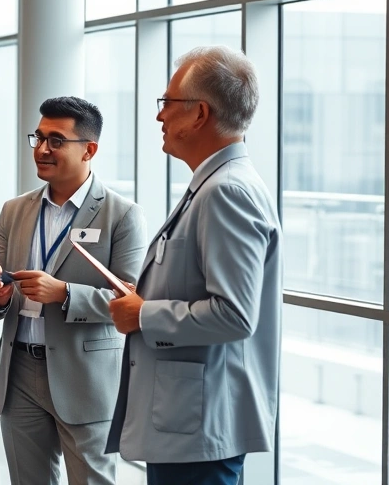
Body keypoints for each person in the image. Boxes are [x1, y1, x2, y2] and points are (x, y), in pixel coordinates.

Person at [105, 45, 282, 485]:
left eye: (167, 103)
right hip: (187, 419)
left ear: (199, 113)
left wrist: (142, 314)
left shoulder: (226, 192)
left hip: (197, 424)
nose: (160, 116)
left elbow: (234, 314)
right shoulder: (213, 184)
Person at [0, 97, 147, 485]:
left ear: (89, 150)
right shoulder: (14, 210)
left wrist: (65, 293)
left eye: (55, 140)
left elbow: (130, 301)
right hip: (18, 371)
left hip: (84, 377)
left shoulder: (121, 215)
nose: (41, 149)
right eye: (38, 137)